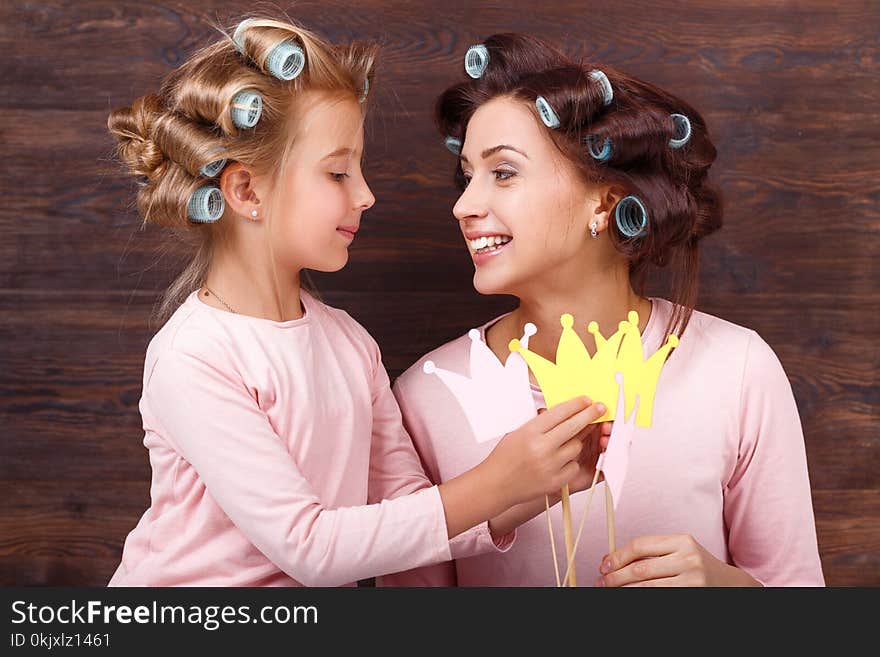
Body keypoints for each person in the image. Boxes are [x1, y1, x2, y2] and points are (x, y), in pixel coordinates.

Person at [106, 19, 605, 587]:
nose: (364, 195)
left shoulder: (348, 342)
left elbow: (412, 515)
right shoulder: (195, 356)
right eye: (338, 172)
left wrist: (534, 485)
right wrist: (497, 480)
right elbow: (309, 547)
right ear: (247, 191)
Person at [382, 33, 824, 587]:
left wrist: (727, 589)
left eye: (504, 172)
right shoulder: (428, 395)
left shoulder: (736, 370)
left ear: (606, 202)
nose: (464, 205)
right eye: (467, 175)